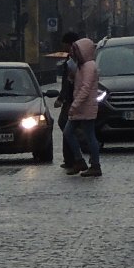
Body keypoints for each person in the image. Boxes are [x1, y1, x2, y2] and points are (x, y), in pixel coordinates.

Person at [65, 36, 103, 177]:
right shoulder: (83, 66)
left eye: (76, 50)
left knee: (89, 136)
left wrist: (74, 105)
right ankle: (81, 160)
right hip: (82, 107)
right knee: (71, 133)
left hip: (85, 107)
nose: (74, 53)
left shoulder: (88, 66)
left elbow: (85, 88)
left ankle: (94, 164)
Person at [54, 32, 84, 172]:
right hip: (71, 98)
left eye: (65, 44)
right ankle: (70, 158)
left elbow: (69, 82)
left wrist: (62, 98)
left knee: (67, 127)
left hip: (72, 99)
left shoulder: (76, 58)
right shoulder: (73, 57)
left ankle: (74, 158)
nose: (63, 46)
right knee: (66, 126)